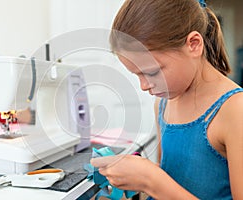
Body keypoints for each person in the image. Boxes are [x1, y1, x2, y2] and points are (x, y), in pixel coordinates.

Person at [91, 0, 243, 199]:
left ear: (194, 45)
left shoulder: (234, 110)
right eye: (137, 75)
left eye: (152, 72)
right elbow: (174, 179)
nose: (144, 86)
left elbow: (160, 183)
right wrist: (137, 175)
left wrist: (151, 180)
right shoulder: (163, 104)